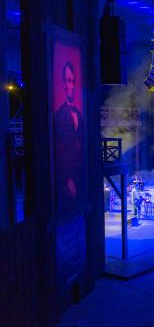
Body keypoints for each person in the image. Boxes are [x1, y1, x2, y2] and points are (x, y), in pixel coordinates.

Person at [54, 61, 84, 213]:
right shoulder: (58, 116)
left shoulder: (80, 115)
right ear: (62, 83)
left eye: (72, 80)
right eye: (67, 80)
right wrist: (67, 179)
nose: (70, 85)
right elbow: (59, 151)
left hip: (80, 173)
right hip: (67, 176)